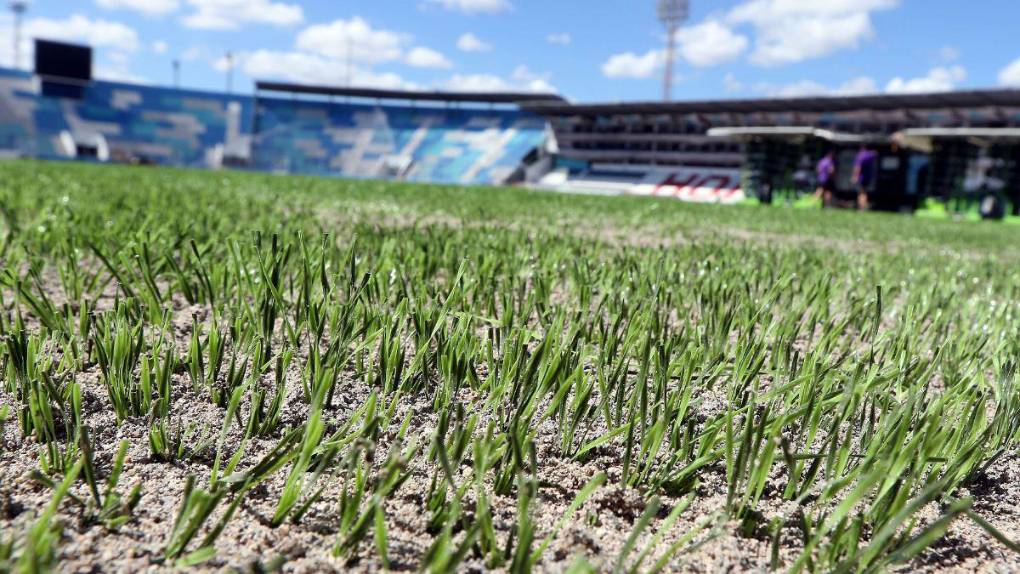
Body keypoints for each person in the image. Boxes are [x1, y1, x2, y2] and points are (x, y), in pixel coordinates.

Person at [852, 145, 878, 210]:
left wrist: (855, 176)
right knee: (864, 191)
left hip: (861, 177)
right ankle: (863, 205)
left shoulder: (861, 156)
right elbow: (875, 153)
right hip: (868, 177)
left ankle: (862, 206)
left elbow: (858, 167)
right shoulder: (870, 155)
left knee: (861, 192)